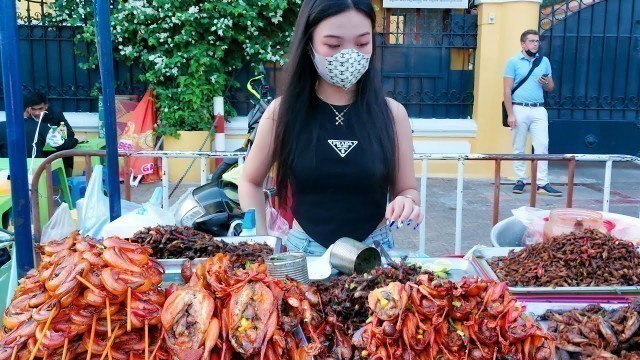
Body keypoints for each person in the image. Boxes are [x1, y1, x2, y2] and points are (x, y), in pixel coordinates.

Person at [238, 0, 423, 256]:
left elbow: (407, 189)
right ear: (309, 45)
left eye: (362, 43)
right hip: (304, 252)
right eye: (333, 45)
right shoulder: (282, 113)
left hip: (373, 251)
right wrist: (261, 244)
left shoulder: (392, 115)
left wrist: (408, 202)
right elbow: (250, 181)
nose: (349, 55)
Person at [504, 29, 562, 197]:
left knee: (542, 145)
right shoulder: (513, 62)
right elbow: (507, 90)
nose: (536, 44)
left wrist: (547, 82)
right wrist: (510, 114)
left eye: (537, 41)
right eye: (532, 41)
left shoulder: (544, 61)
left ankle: (542, 183)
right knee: (519, 146)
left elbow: (550, 88)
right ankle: (520, 179)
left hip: (539, 108)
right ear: (523, 44)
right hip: (519, 107)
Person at [23, 91, 80, 175]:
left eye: (40, 108)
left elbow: (70, 133)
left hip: (55, 151)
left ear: (46, 106)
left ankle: (66, 178)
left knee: (66, 152)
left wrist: (60, 132)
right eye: (33, 109)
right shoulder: (25, 118)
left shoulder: (55, 113)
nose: (37, 113)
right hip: (34, 153)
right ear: (28, 108)